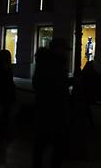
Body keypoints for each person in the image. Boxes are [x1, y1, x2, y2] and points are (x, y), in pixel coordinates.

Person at [32, 39, 70, 168]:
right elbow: (49, 85)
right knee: (52, 143)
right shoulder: (52, 64)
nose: (66, 53)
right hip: (52, 110)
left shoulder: (48, 63)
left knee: (43, 142)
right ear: (57, 49)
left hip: (48, 109)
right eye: (64, 50)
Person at [0, 49, 16, 139]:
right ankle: (2, 131)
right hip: (6, 92)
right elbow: (7, 80)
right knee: (6, 113)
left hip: (3, 92)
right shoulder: (4, 66)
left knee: (5, 112)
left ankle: (1, 131)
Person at [80, 59, 99, 126]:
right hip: (88, 91)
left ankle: (86, 121)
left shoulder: (84, 71)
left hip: (85, 91)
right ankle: (89, 122)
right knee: (86, 107)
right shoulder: (93, 72)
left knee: (86, 107)